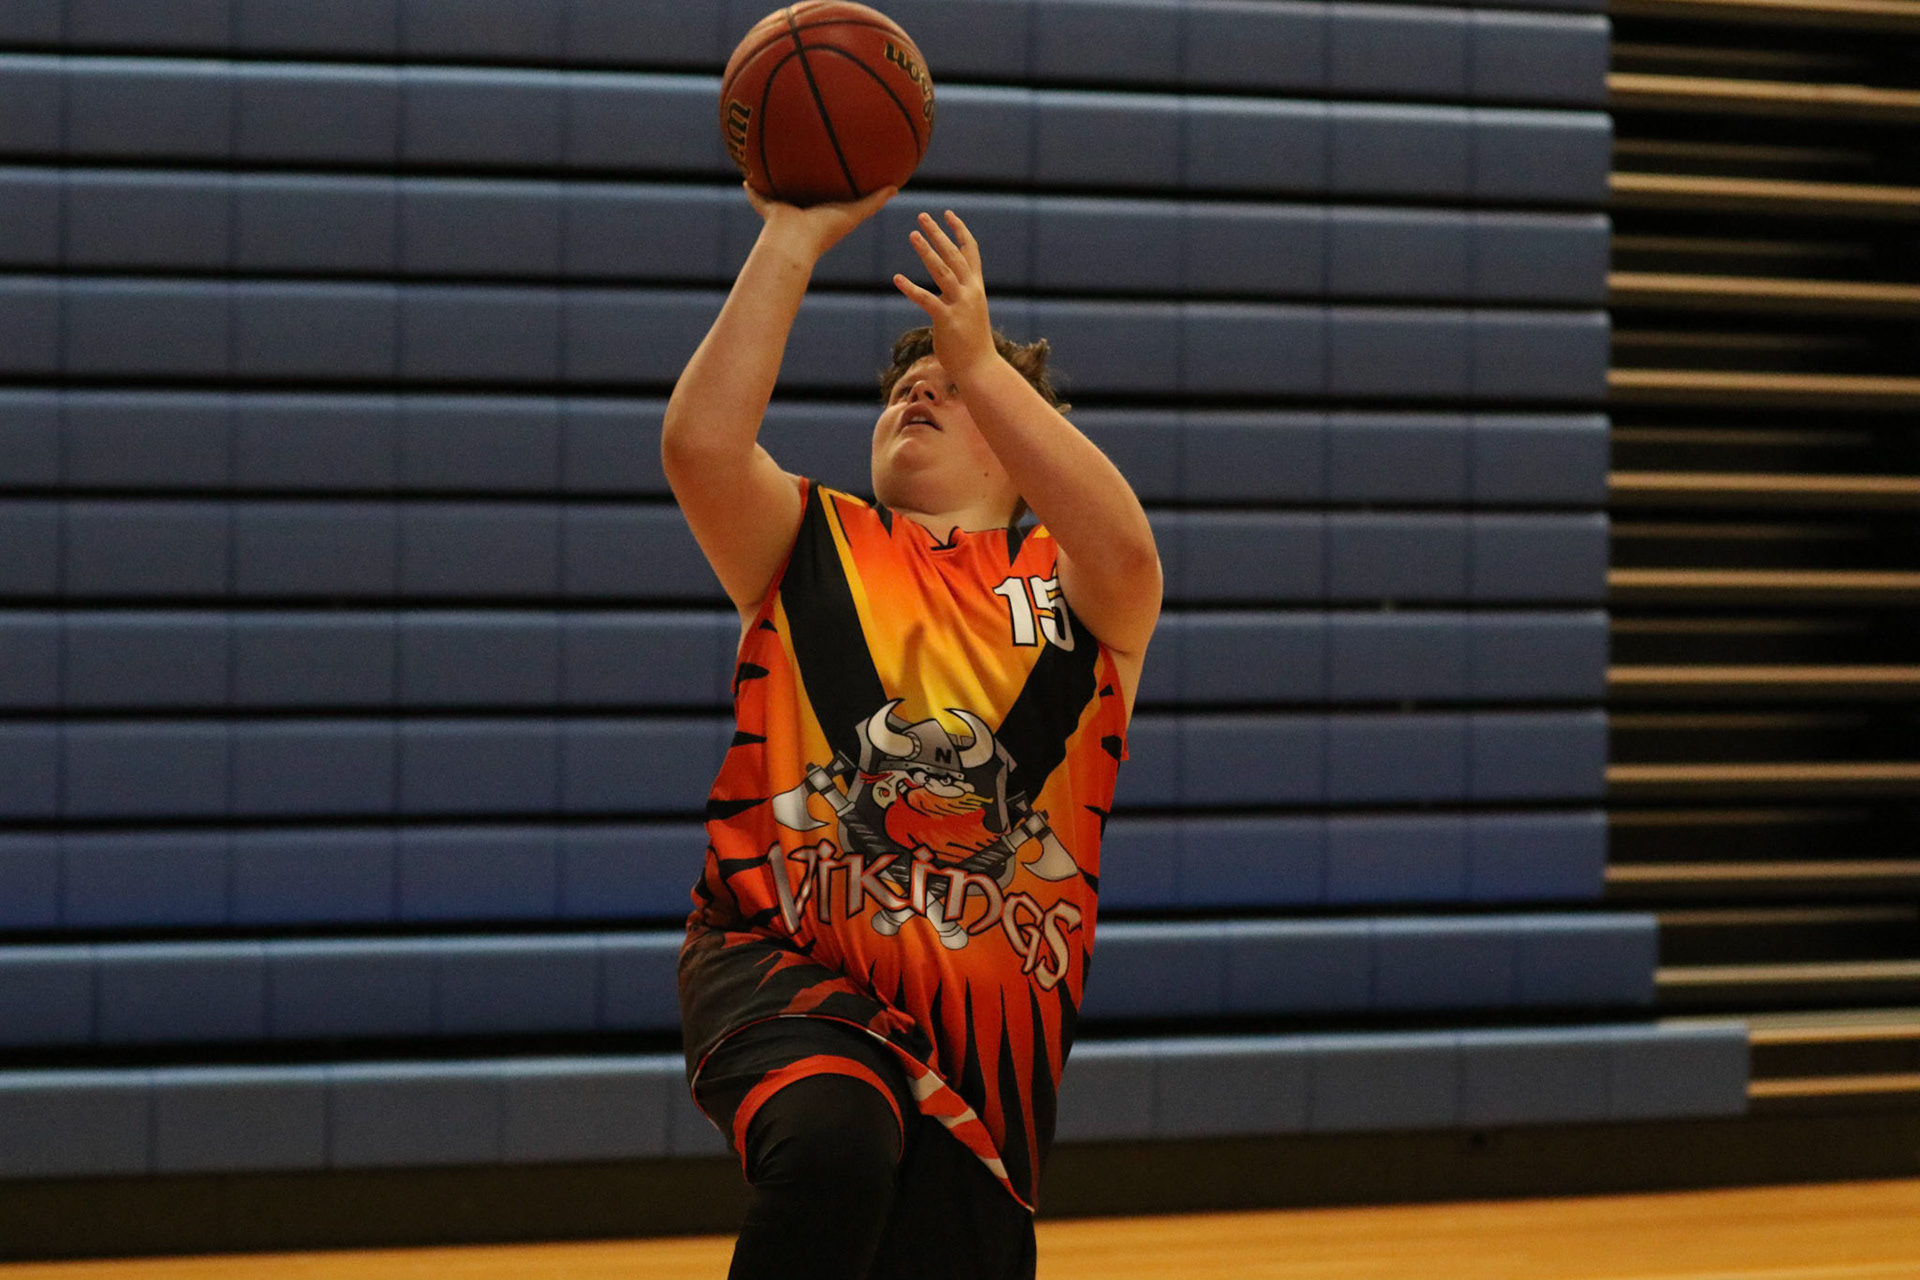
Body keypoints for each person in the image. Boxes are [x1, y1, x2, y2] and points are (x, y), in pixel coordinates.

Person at [664, 182, 1161, 1280]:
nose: (917, 393)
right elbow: (700, 445)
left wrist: (982, 361)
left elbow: (1129, 549)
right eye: (902, 389)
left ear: (1023, 445)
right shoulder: (811, 538)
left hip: (986, 1055)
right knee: (835, 1144)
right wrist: (792, 237)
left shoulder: (1072, 588)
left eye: (949, 388)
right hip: (780, 955)